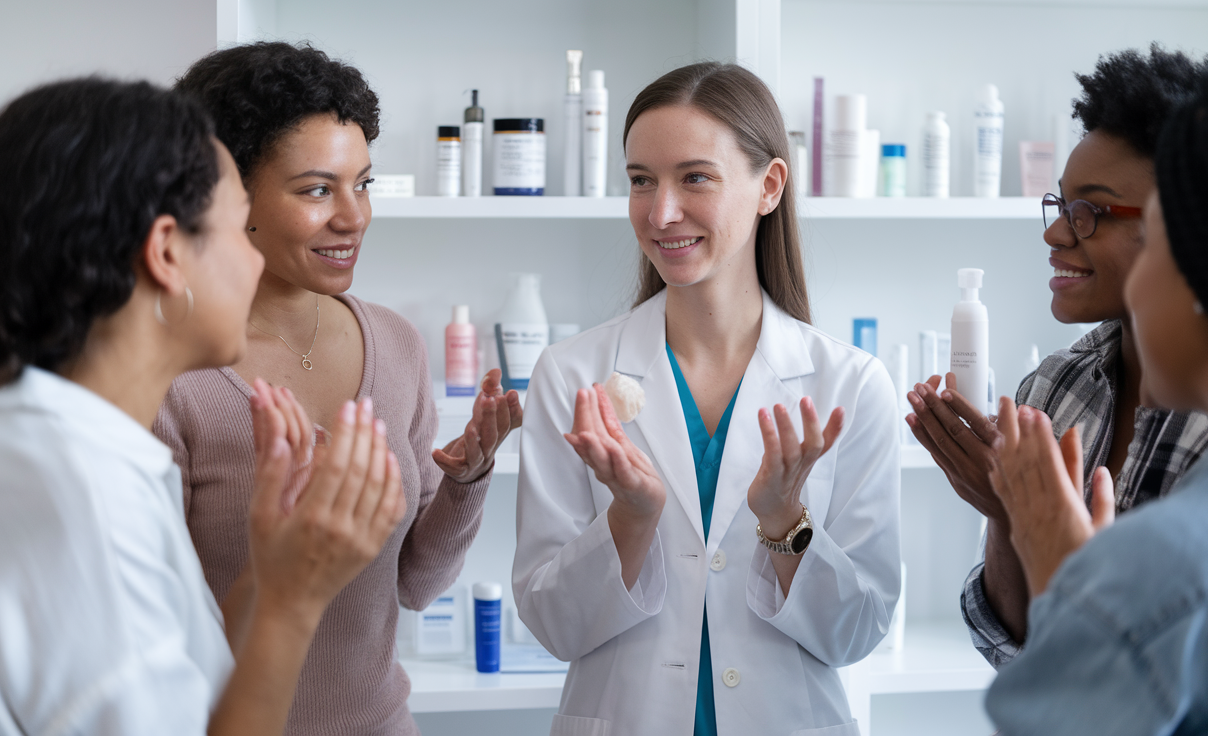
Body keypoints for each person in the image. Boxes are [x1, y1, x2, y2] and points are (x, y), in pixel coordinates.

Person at [0, 77, 404, 735]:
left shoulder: (76, 454)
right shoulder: (83, 500)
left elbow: (194, 693)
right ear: (165, 253)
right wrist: (293, 605)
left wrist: (266, 578)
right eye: (235, 228)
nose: (253, 262)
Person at [513, 62, 901, 736]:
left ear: (769, 186)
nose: (661, 212)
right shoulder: (569, 375)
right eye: (640, 180)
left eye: (695, 177)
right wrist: (629, 521)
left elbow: (856, 633)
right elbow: (554, 627)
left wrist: (785, 524)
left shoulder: (851, 384)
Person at [158, 42, 521, 734]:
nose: (354, 217)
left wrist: (468, 481)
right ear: (229, 194)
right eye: (318, 189)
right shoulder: (176, 376)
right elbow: (157, 628)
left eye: (364, 184)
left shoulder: (396, 344)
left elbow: (414, 585)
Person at [985, 49, 1208, 734]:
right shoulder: (1054, 386)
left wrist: (1073, 585)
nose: (1056, 234)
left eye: (1160, 240)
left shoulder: (1151, 579)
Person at [905, 44, 1208, 666]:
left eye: (1089, 212)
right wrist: (1008, 513)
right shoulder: (1053, 388)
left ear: (1184, 218)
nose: (1054, 232)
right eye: (1059, 205)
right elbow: (1016, 651)